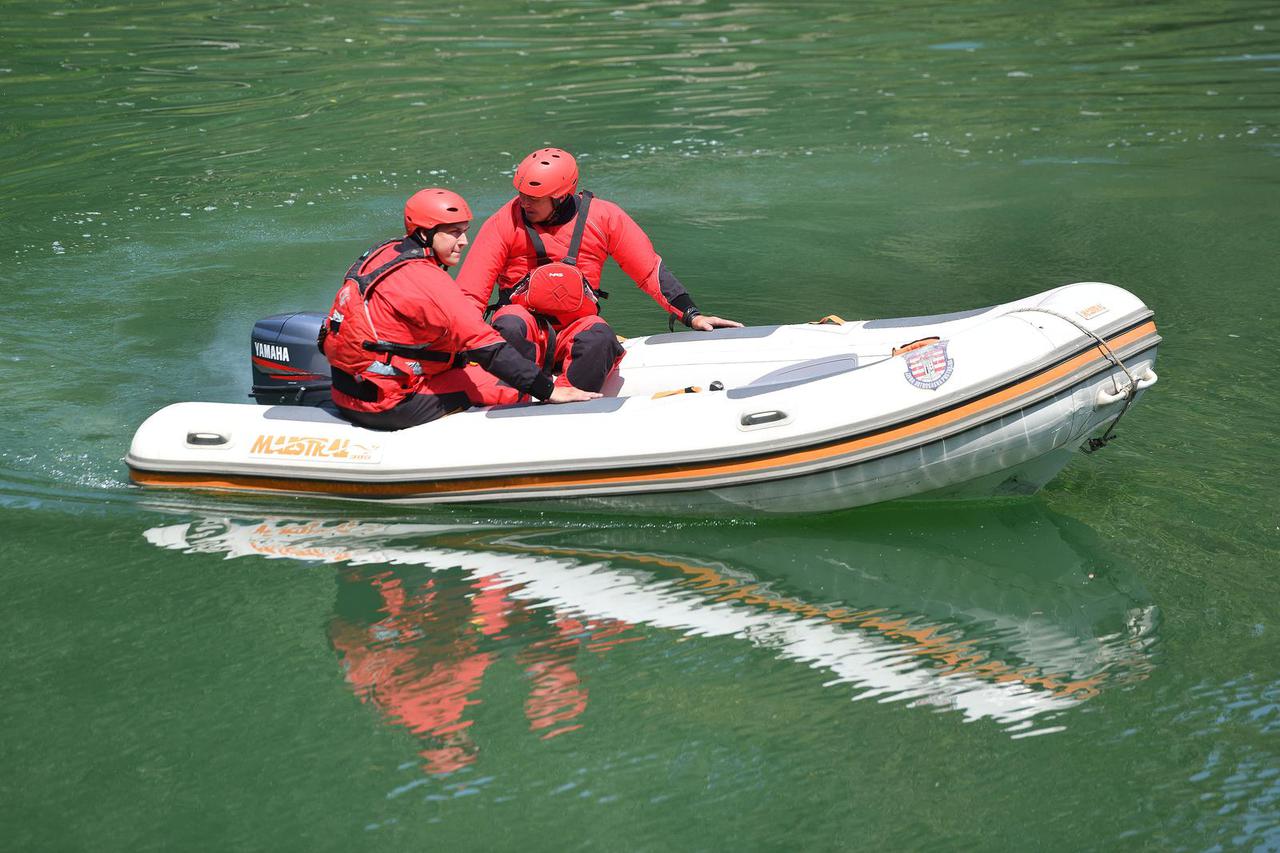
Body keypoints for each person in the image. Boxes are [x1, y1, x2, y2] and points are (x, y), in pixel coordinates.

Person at [456, 147, 742, 392]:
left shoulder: (604, 216)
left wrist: (691, 314)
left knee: (600, 337)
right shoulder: (503, 221)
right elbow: (471, 292)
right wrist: (457, 347)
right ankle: (511, 398)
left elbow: (648, 270)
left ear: (560, 196)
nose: (524, 202)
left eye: (534, 198)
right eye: (521, 194)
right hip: (527, 329)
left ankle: (571, 400)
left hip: (575, 328)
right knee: (509, 324)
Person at [319, 187, 597, 430]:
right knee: (509, 389)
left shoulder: (384, 252)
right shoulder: (428, 280)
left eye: (464, 232)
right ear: (425, 233)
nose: (463, 241)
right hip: (390, 404)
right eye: (453, 233)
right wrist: (548, 390)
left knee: (468, 362)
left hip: (348, 391)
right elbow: (488, 347)